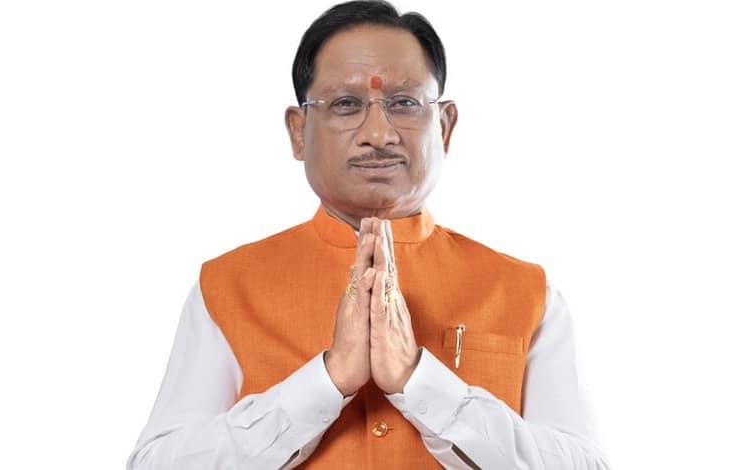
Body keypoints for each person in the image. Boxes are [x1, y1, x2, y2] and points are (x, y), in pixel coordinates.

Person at [127, 1, 610, 468]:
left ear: (444, 127)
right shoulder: (228, 287)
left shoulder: (525, 291)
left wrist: (421, 383)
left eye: (404, 103)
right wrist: (327, 381)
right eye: (346, 104)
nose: (379, 134)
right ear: (298, 132)